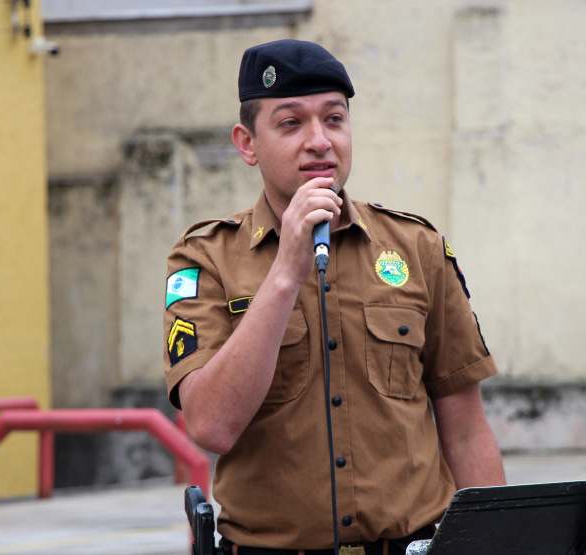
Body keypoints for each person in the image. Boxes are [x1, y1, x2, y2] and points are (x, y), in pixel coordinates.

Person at [163, 39, 506, 555]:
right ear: (247, 143)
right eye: (290, 123)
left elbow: (466, 429)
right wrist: (285, 273)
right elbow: (211, 425)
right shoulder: (205, 258)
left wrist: (501, 542)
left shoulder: (416, 246)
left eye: (335, 119)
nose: (319, 141)